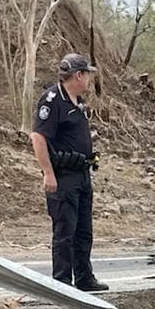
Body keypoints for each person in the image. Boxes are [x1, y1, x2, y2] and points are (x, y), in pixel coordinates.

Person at [30, 53, 107, 292]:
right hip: (63, 176)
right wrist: (48, 173)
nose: (89, 81)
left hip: (82, 174)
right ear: (78, 75)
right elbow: (38, 137)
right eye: (87, 75)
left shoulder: (77, 103)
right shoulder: (52, 100)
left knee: (84, 231)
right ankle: (62, 282)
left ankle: (84, 278)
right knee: (65, 231)